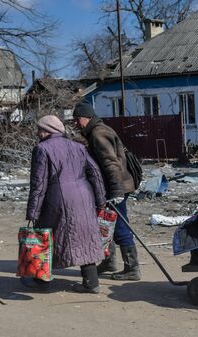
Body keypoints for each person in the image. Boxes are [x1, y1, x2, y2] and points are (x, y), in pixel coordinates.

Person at [25, 115, 106, 294]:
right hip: (84, 197)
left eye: (39, 129)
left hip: (57, 197)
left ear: (47, 130)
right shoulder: (79, 147)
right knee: (85, 237)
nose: (37, 133)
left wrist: (32, 213)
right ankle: (91, 282)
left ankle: (42, 280)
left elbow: (39, 183)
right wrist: (100, 200)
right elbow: (95, 174)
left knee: (46, 235)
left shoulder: (42, 149)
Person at [73, 101, 140, 281]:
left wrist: (117, 191)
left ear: (85, 118)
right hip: (112, 187)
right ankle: (109, 262)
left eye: (77, 120)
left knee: (119, 227)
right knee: (105, 226)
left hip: (116, 187)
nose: (76, 124)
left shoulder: (99, 133)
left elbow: (111, 163)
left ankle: (132, 268)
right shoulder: (98, 131)